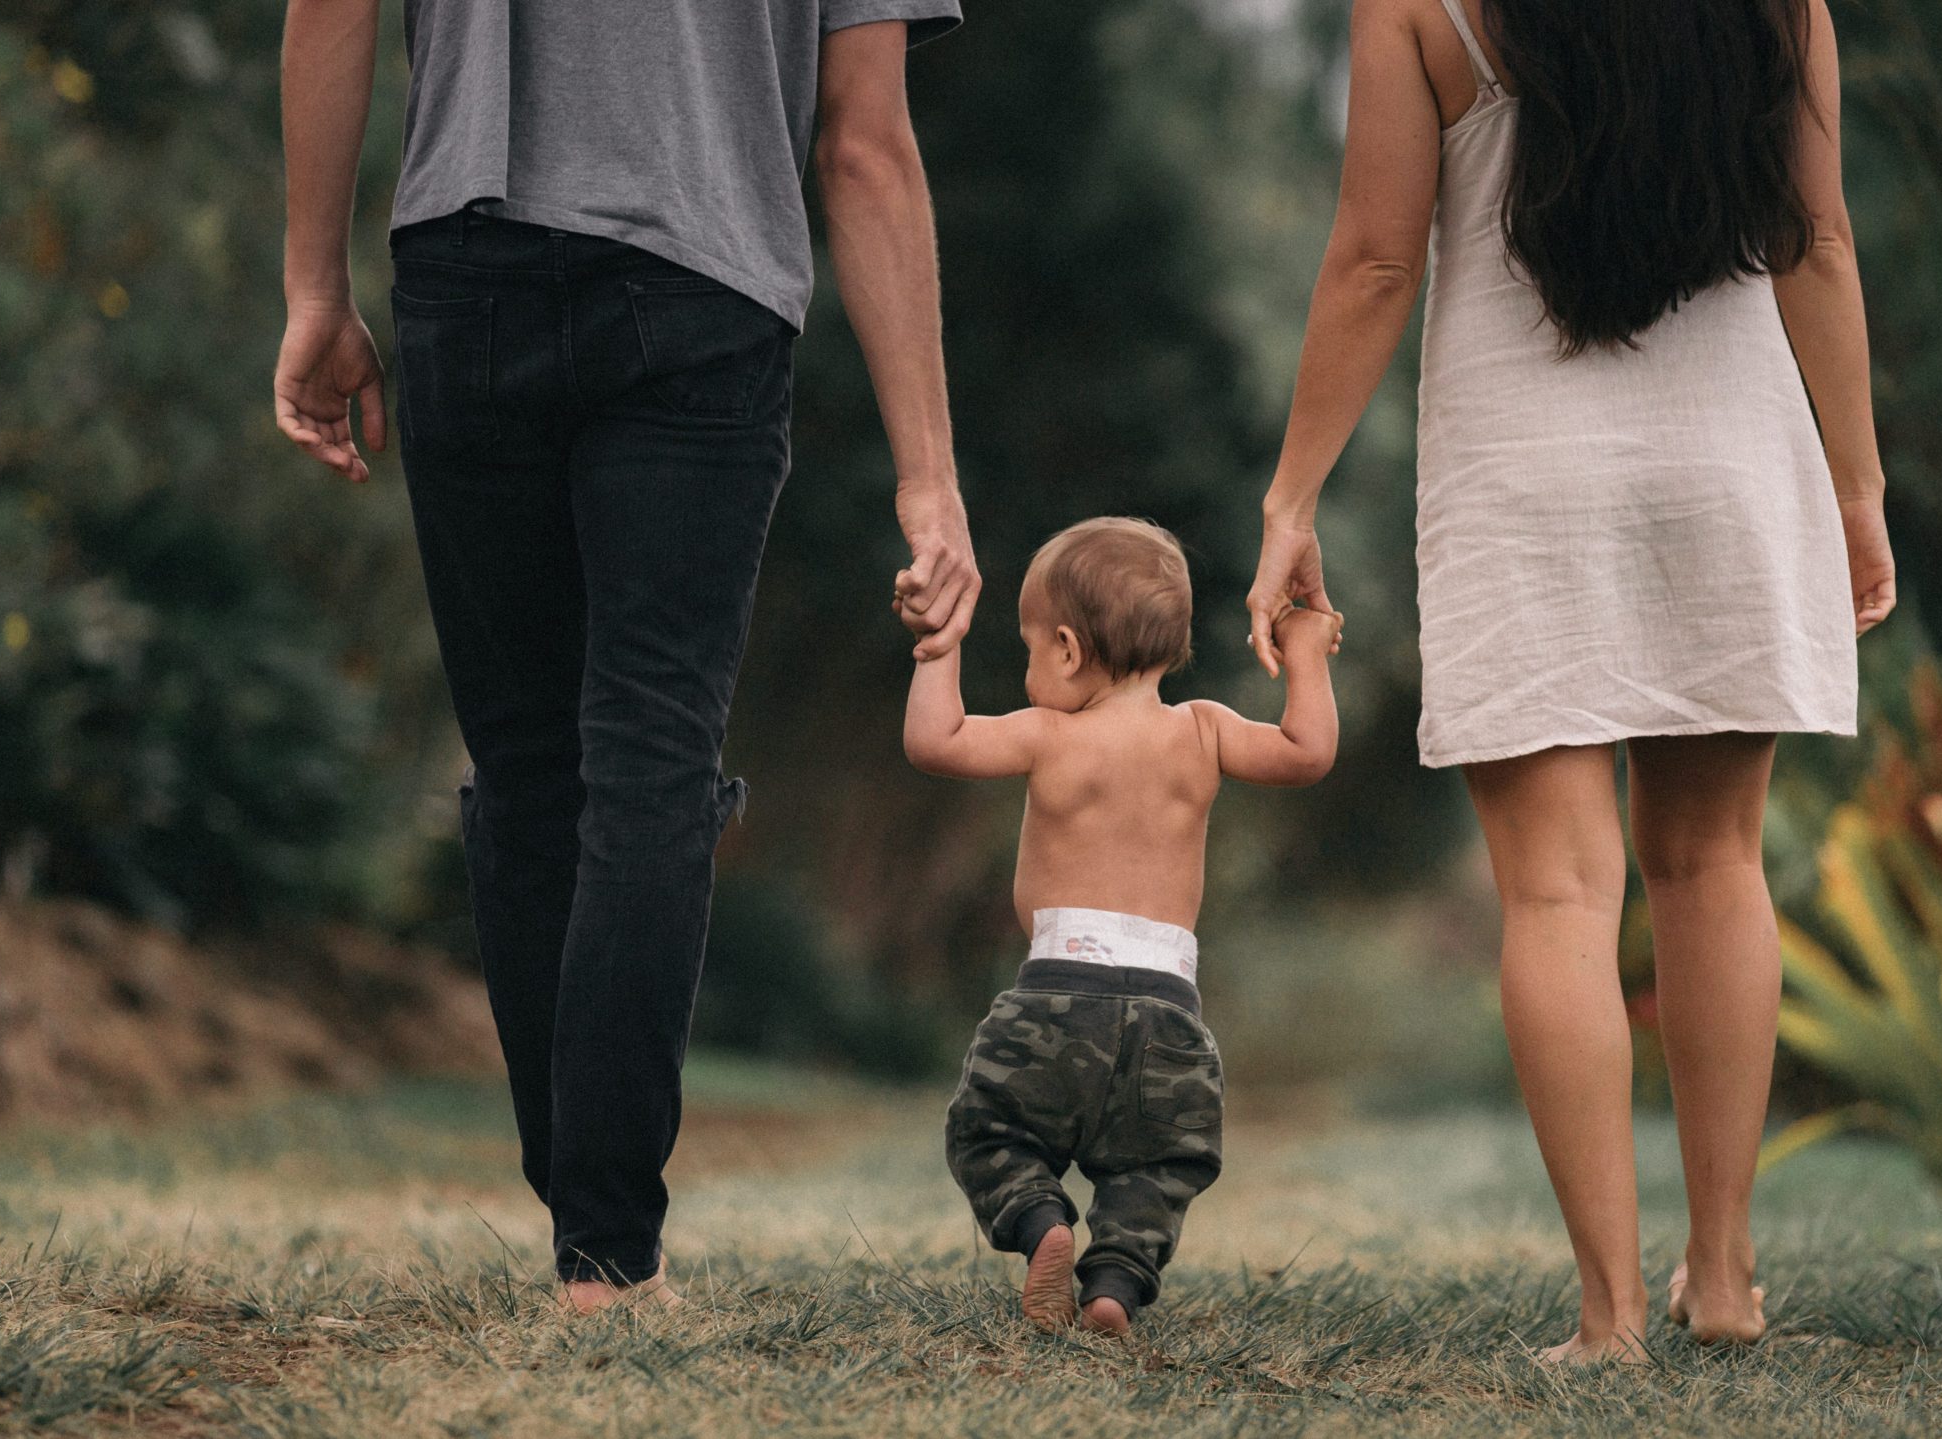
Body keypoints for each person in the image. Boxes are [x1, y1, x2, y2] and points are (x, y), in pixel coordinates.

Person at [270, 0, 982, 1312]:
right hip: (704, 286)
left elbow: (330, 10)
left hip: (465, 266)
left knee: (532, 766)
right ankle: (604, 1252)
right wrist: (929, 478)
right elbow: (865, 146)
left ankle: (589, 1228)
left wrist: (316, 288)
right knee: (651, 758)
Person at [1246, 0, 1897, 1360]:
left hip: (1521, 477)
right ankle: (1721, 1276)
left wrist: (1292, 497)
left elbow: (1374, 261)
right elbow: (1816, 242)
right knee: (1715, 860)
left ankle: (1608, 1317)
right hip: (1728, 461)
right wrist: (1856, 486)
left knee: (1555, 887)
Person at [903, 518, 1340, 1335]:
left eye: (1031, 648)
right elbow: (1307, 751)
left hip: (1055, 997)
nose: (1031, 667)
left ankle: (1043, 1224)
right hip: (1170, 1014)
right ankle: (1113, 1288)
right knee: (1157, 1168)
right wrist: (1305, 648)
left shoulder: (1050, 733)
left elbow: (935, 740)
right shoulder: (1205, 730)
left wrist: (939, 642)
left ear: (1067, 649)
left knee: (989, 1127)